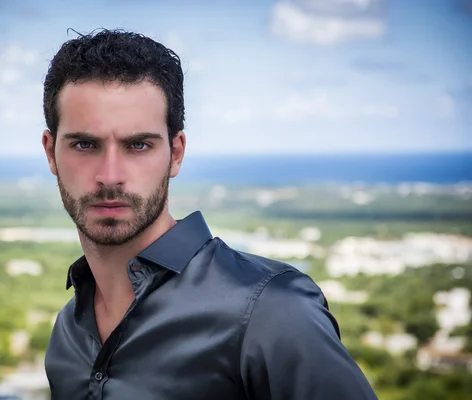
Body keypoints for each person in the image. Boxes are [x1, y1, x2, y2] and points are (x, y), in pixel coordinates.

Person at [41, 29, 377, 400]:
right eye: (84, 144)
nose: (110, 176)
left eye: (138, 145)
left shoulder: (273, 311)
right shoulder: (67, 334)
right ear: (51, 153)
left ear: (176, 153)